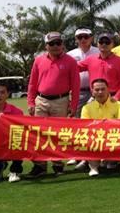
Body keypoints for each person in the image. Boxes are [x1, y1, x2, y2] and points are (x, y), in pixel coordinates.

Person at [27, 32, 80, 177]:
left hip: (61, 100)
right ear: (46, 46)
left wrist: (73, 106)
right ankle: (40, 166)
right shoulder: (38, 60)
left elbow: (75, 85)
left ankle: (58, 165)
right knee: (39, 134)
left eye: (58, 43)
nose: (55, 46)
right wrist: (30, 102)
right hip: (41, 100)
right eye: (52, 44)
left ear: (62, 44)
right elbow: (32, 83)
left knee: (57, 134)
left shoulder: (70, 61)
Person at [66, 27, 99, 169]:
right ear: (76, 40)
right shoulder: (70, 55)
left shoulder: (98, 52)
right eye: (80, 37)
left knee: (93, 123)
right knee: (76, 123)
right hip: (77, 92)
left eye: (86, 36)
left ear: (91, 38)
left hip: (95, 92)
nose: (83, 40)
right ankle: (76, 154)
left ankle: (93, 153)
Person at [80, 78, 120, 177]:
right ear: (92, 91)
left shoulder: (118, 105)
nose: (100, 92)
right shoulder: (86, 108)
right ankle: (93, 167)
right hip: (95, 138)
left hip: (114, 137)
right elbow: (85, 128)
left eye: (103, 89)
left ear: (108, 90)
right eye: (97, 90)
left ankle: (111, 161)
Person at [78, 32, 120, 102]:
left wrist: (117, 97)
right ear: (97, 44)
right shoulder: (91, 59)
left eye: (107, 42)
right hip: (95, 97)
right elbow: (74, 67)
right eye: (101, 42)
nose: (104, 44)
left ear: (112, 44)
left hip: (112, 97)